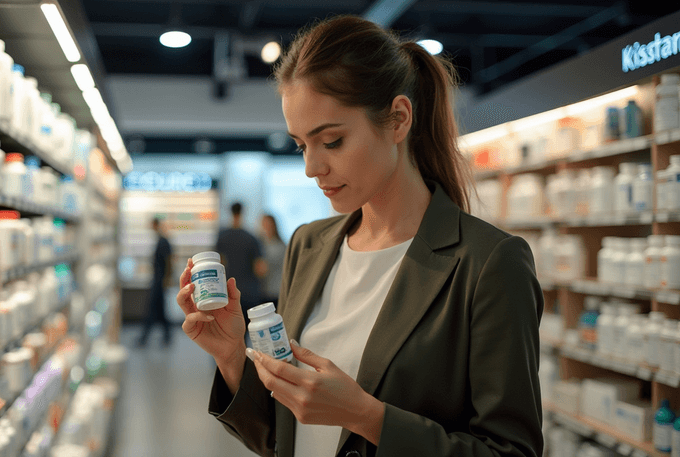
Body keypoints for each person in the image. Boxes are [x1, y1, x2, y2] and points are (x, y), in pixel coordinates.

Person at [177, 14, 543, 457]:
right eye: (301, 145)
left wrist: (367, 417)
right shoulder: (308, 245)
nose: (312, 167)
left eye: (331, 141)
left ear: (398, 120)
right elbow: (284, 434)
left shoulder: (489, 262)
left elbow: (511, 451)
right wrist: (231, 356)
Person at [215, 202, 267, 322]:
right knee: (252, 326)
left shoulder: (222, 237)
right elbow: (260, 269)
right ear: (242, 212)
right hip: (250, 291)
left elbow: (219, 263)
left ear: (230, 212)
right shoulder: (252, 238)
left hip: (229, 290)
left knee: (232, 326)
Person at [139, 217, 173, 347]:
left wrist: (166, 280)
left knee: (152, 309)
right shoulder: (160, 240)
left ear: (155, 225)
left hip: (159, 281)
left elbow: (169, 261)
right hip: (158, 279)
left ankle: (144, 338)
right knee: (160, 310)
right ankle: (166, 336)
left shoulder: (163, 241)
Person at [259, 214, 286, 306]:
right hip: (262, 292)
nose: (265, 227)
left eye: (267, 224)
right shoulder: (259, 244)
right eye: (263, 224)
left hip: (276, 291)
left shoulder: (281, 246)